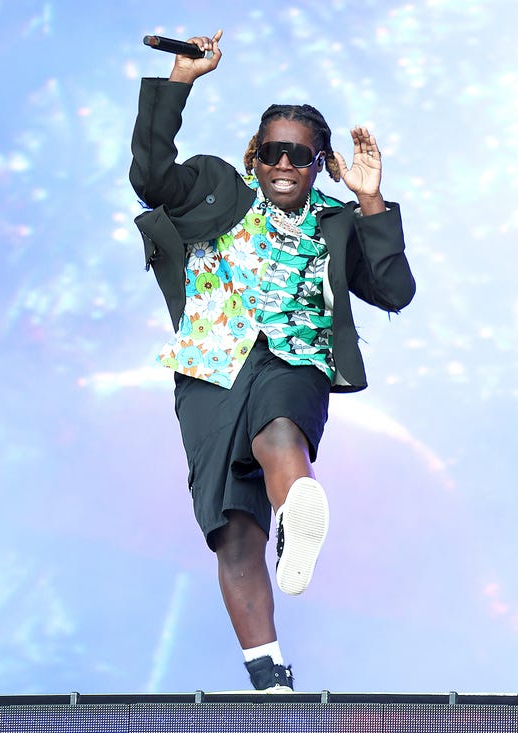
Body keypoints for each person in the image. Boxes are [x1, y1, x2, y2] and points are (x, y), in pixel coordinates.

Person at [129, 29, 415, 692]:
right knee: (232, 530)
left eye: (301, 155)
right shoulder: (215, 189)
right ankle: (269, 672)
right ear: (253, 156)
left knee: (280, 429)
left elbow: (394, 290)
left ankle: (295, 512)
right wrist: (180, 82)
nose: (285, 164)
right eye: (272, 152)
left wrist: (371, 201)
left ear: (320, 164)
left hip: (297, 357)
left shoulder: (337, 222)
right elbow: (150, 176)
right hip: (211, 366)